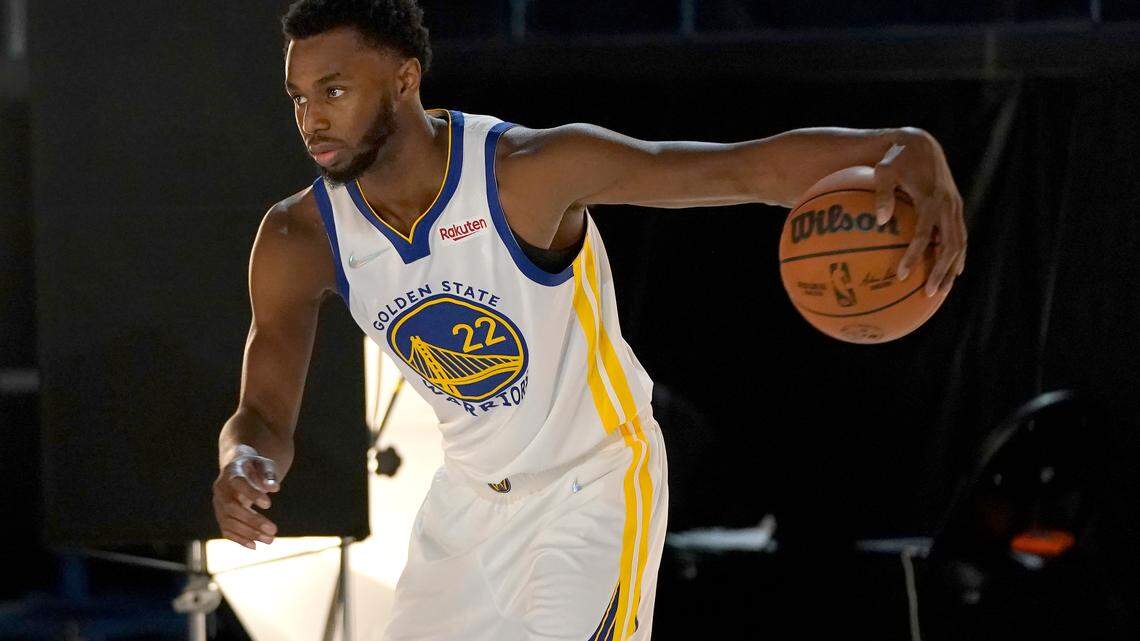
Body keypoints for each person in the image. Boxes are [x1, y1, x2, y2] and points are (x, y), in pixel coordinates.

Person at [211, 1, 967, 639]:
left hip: (593, 485)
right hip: (467, 504)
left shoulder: (526, 173)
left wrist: (901, 146)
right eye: (299, 97)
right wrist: (246, 459)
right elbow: (262, 411)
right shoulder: (299, 237)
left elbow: (737, 168)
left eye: (333, 90)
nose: (311, 118)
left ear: (405, 79)